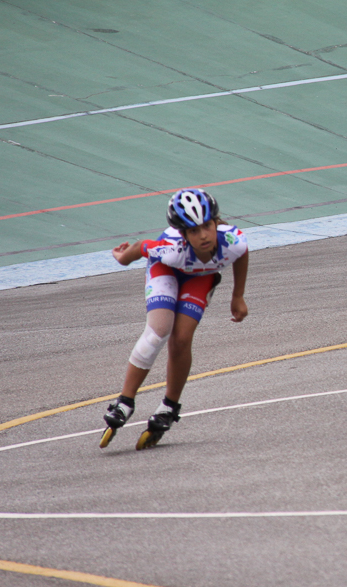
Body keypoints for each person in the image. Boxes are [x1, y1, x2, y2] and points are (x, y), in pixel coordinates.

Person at [99, 189, 249, 450]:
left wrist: (238, 296)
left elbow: (242, 253)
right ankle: (125, 401)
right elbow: (140, 247)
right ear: (183, 234)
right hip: (167, 269)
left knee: (181, 339)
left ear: (216, 222)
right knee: (159, 330)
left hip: (200, 276)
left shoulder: (233, 240)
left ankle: (169, 406)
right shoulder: (170, 249)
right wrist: (122, 259)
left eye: (207, 226)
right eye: (193, 230)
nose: (203, 235)